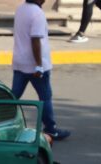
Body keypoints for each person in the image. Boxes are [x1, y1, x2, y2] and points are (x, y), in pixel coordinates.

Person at [12, 0, 70, 141]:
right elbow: (35, 40)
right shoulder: (37, 13)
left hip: (20, 62)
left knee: (13, 97)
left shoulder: (20, 9)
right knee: (45, 97)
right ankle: (51, 129)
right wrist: (39, 65)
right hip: (34, 66)